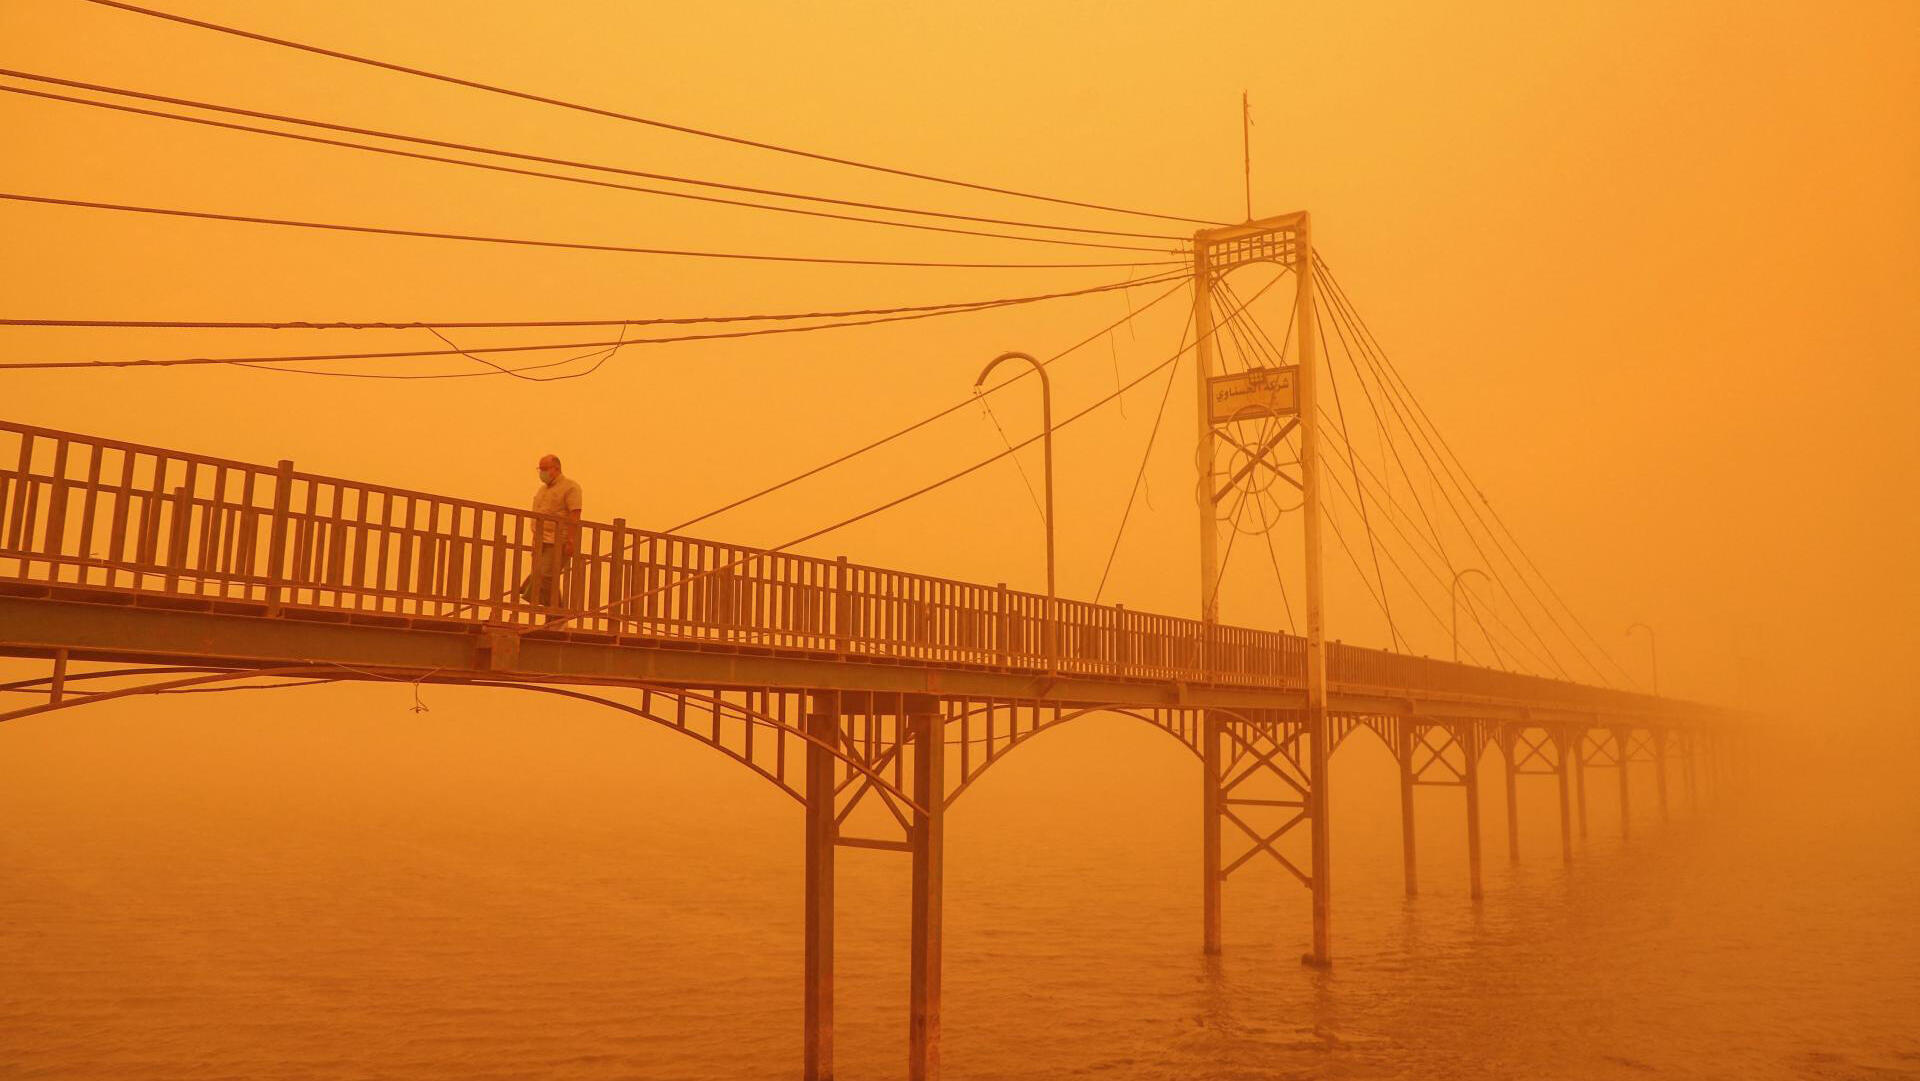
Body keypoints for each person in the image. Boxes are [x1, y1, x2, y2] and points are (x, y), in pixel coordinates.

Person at [520, 453, 582, 611]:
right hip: (541, 541)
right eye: (539, 469)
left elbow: (575, 514)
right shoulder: (542, 490)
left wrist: (571, 540)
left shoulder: (570, 487)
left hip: (558, 541)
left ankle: (557, 612)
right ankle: (555, 615)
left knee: (544, 575)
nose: (542, 473)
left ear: (556, 468)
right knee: (546, 579)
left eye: (544, 469)